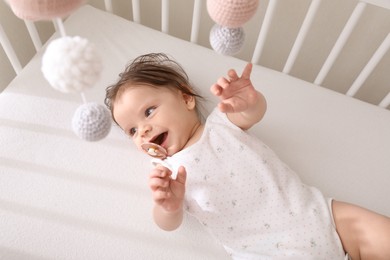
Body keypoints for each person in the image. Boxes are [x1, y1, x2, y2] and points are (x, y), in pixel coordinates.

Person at [105, 53, 390, 260]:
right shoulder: (168, 173)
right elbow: (168, 223)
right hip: (263, 252)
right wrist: (168, 205)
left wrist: (249, 101)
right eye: (131, 130)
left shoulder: (221, 123)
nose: (143, 130)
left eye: (149, 111)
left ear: (186, 98)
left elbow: (250, 114)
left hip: (319, 216)